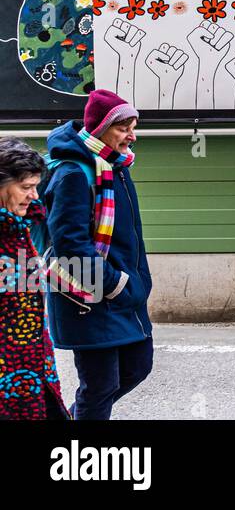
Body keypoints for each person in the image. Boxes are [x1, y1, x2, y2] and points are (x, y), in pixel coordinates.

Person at [42, 89, 153, 420]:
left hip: (123, 293)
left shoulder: (115, 166)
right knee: (100, 386)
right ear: (99, 127)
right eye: (123, 128)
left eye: (133, 127)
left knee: (137, 367)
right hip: (89, 298)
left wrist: (134, 282)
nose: (131, 136)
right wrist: (113, 284)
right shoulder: (73, 173)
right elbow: (69, 244)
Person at [0, 137, 69, 419]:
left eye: (36, 187)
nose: (35, 196)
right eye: (26, 187)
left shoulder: (19, 225)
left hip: (33, 365)